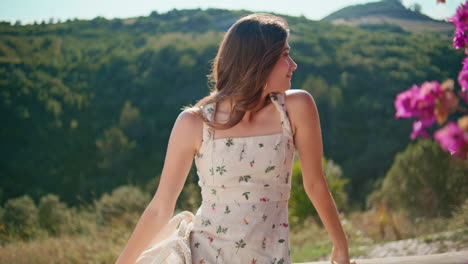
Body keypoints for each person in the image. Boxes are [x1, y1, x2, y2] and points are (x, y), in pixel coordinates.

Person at [115, 12, 356, 264]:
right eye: (284, 55)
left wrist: (341, 247)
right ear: (259, 61)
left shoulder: (296, 108)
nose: (293, 64)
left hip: (270, 257)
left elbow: (315, 184)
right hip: (204, 256)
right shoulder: (195, 123)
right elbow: (160, 207)